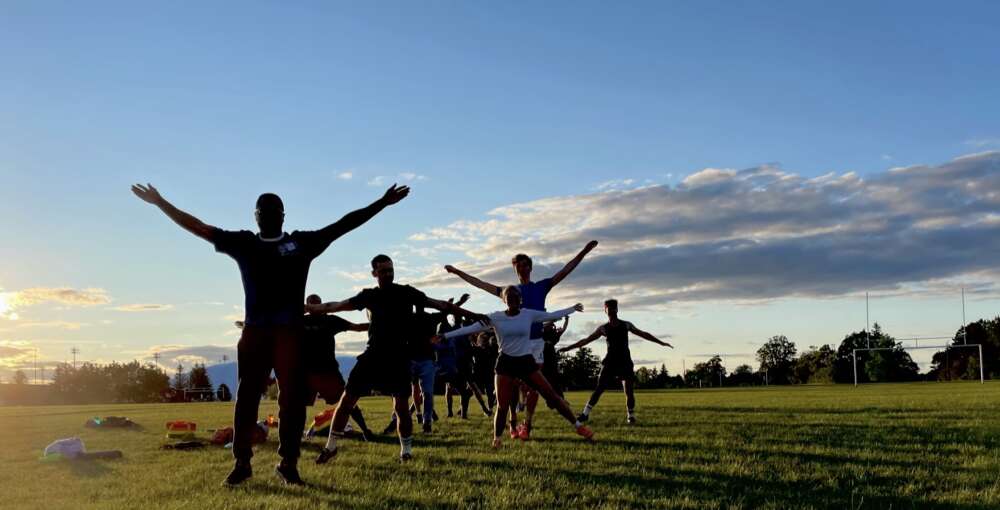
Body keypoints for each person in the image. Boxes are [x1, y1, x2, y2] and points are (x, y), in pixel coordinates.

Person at [131, 182, 409, 486]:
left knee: (291, 401)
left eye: (273, 210)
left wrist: (381, 203)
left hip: (289, 334)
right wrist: (161, 203)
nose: (268, 215)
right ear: (255, 216)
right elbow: (198, 227)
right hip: (255, 334)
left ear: (283, 215)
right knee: (246, 398)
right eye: (263, 211)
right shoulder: (245, 244)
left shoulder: (302, 244)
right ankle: (242, 463)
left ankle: (288, 463)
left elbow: (343, 225)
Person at [305, 254, 484, 464]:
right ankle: (331, 447)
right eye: (383, 271)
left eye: (391, 270)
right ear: (374, 273)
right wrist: (309, 308)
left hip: (398, 356)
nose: (388, 274)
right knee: (347, 401)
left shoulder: (406, 292)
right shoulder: (369, 295)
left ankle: (406, 451)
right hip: (372, 355)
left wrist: (473, 314)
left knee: (401, 407)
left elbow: (441, 305)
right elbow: (334, 306)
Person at [443, 240, 598, 440]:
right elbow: (480, 283)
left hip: (534, 344)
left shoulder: (541, 287)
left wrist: (584, 251)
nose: (522, 268)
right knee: (512, 388)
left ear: (530, 268)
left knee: (536, 387)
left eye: (525, 265)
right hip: (511, 347)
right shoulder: (508, 292)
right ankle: (512, 423)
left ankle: (527, 424)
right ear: (515, 270)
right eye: (518, 266)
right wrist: (458, 272)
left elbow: (565, 270)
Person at [436, 286, 593, 448]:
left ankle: (579, 427)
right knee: (502, 405)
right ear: (504, 300)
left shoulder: (528, 314)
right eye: (509, 297)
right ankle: (497, 439)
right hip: (505, 363)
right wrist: (445, 335)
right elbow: (471, 328)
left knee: (552, 395)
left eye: (516, 297)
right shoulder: (495, 317)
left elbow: (552, 315)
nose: (513, 300)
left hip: (526, 362)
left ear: (520, 299)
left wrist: (572, 309)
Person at [559, 299, 673, 425]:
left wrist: (661, 343)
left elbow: (643, 334)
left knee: (628, 391)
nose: (611, 310)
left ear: (617, 309)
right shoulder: (603, 329)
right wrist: (568, 348)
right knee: (599, 389)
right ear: (605, 310)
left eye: (614, 307)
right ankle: (585, 414)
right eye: (609, 308)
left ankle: (631, 416)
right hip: (610, 363)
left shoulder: (626, 325)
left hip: (625, 362)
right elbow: (586, 340)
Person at [541, 317, 570, 397]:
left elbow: (564, 329)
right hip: (542, 357)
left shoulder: (553, 334)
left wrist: (567, 320)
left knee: (554, 378)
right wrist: (551, 321)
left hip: (550, 356)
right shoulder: (541, 332)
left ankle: (560, 398)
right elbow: (542, 326)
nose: (551, 326)